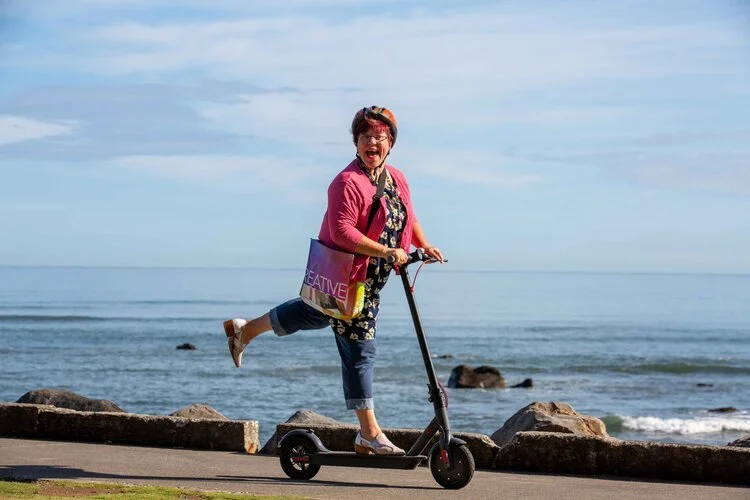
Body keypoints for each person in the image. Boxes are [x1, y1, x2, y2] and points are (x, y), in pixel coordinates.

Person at [223, 105, 444, 456]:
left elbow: (408, 216)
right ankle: (368, 434)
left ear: (390, 143)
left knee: (313, 312)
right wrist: (385, 251)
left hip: (370, 282)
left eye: (380, 137)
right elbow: (342, 231)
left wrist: (424, 245)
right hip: (348, 276)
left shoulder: (397, 178)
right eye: (366, 136)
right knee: (360, 351)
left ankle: (244, 330)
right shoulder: (346, 182)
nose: (373, 143)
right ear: (356, 142)